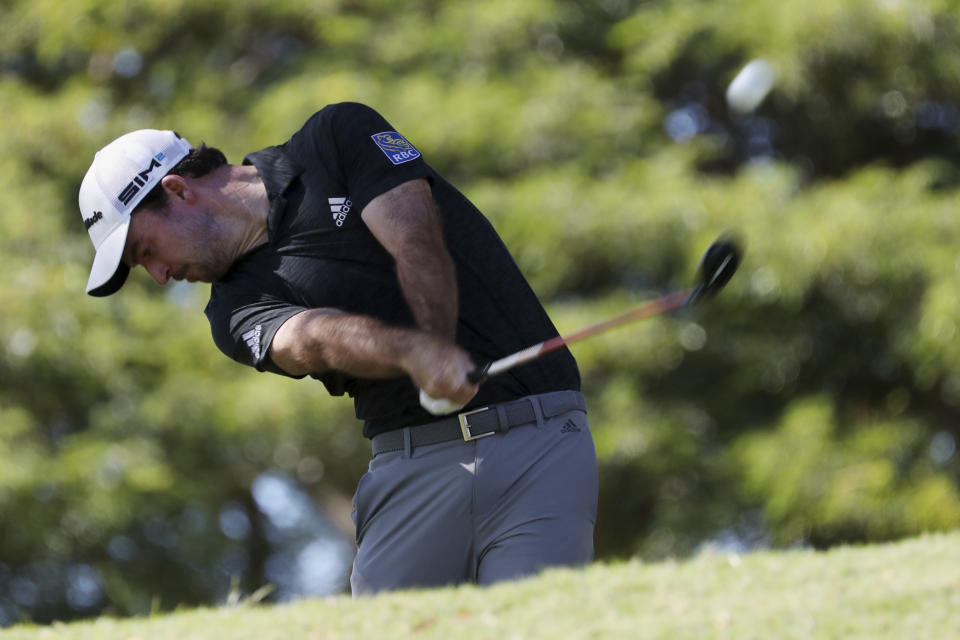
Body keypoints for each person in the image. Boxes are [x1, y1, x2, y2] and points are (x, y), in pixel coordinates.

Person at [78, 102, 598, 594]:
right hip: (411, 469)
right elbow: (312, 340)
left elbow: (413, 232)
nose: (161, 276)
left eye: (146, 252)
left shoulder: (334, 138)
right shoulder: (231, 310)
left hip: (540, 438)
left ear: (178, 190)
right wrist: (411, 353)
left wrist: (434, 342)